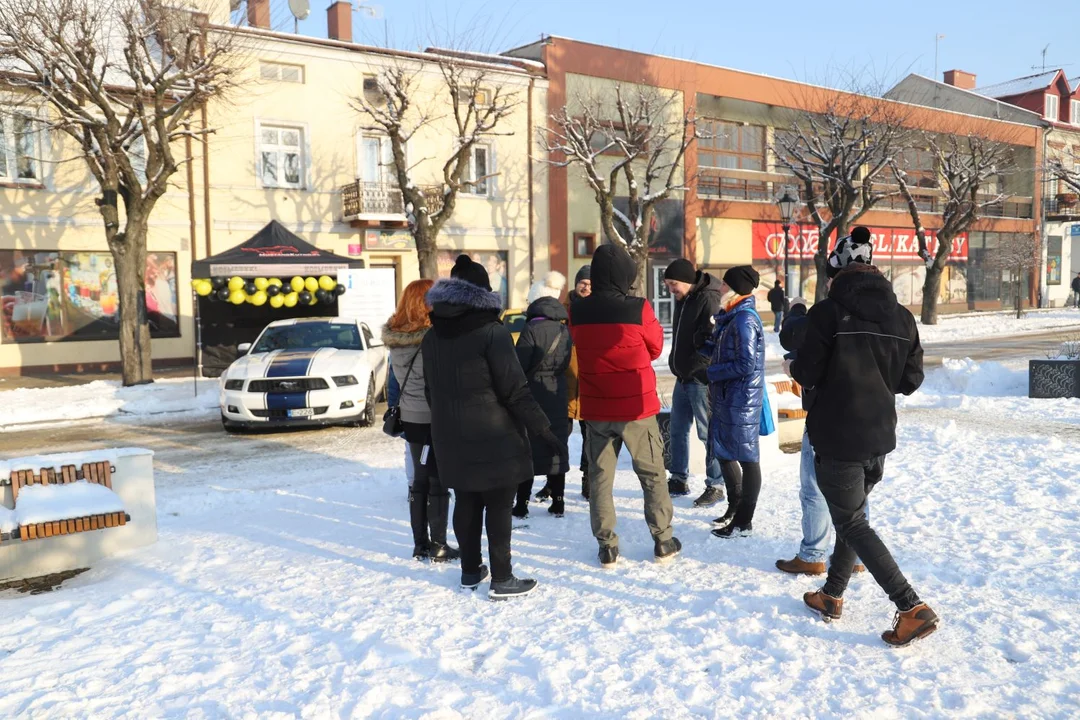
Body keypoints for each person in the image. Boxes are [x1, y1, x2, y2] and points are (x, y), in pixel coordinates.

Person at [789, 227, 938, 647]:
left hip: (838, 436)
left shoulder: (827, 313)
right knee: (850, 519)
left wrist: (797, 367)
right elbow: (911, 380)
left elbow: (807, 372)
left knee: (852, 522)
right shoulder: (902, 316)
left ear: (836, 273)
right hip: (878, 437)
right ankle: (831, 596)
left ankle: (910, 607)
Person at [423, 255, 564, 599]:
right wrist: (546, 431)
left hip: (450, 437)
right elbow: (515, 390)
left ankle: (470, 571)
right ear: (484, 293)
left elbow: (431, 392)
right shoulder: (492, 333)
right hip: (494, 435)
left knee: (466, 500)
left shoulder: (431, 337)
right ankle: (502, 578)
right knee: (499, 503)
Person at [569, 244, 680, 568]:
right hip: (636, 408)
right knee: (652, 475)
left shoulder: (578, 311)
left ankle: (607, 546)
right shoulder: (639, 308)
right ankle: (663, 540)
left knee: (600, 477)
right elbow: (656, 346)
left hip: (597, 408)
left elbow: (578, 344)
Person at [774, 296, 867, 576]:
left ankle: (813, 554)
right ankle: (856, 555)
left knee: (815, 486)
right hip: (867, 417)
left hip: (827, 416)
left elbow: (792, 337)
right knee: (857, 489)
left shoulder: (828, 313)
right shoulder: (882, 314)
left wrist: (797, 310)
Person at [382, 279, 459, 563]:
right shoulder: (434, 337)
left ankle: (420, 544)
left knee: (419, 481)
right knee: (438, 483)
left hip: (411, 418)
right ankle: (438, 544)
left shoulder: (395, 338)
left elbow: (395, 381)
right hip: (433, 417)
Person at [706, 266, 770, 538]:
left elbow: (745, 364)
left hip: (742, 400)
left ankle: (744, 520)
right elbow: (726, 352)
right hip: (728, 397)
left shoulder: (744, 319)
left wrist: (710, 372)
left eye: (724, 285)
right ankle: (734, 509)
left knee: (746, 458)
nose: (720, 289)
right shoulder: (731, 317)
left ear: (734, 289)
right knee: (724, 452)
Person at [662, 258, 725, 507]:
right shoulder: (685, 298)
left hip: (699, 378)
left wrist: (699, 367)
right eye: (668, 285)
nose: (671, 289)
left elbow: (710, 339)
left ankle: (716, 484)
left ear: (687, 281)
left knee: (706, 432)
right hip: (683, 376)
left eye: (673, 284)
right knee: (677, 429)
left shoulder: (707, 299)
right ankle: (678, 478)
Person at [514, 277, 573, 518]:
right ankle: (558, 501)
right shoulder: (564, 329)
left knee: (527, 448)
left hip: (533, 394)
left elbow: (519, 364)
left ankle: (522, 504)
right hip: (557, 392)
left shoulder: (530, 329)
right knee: (556, 444)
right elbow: (566, 362)